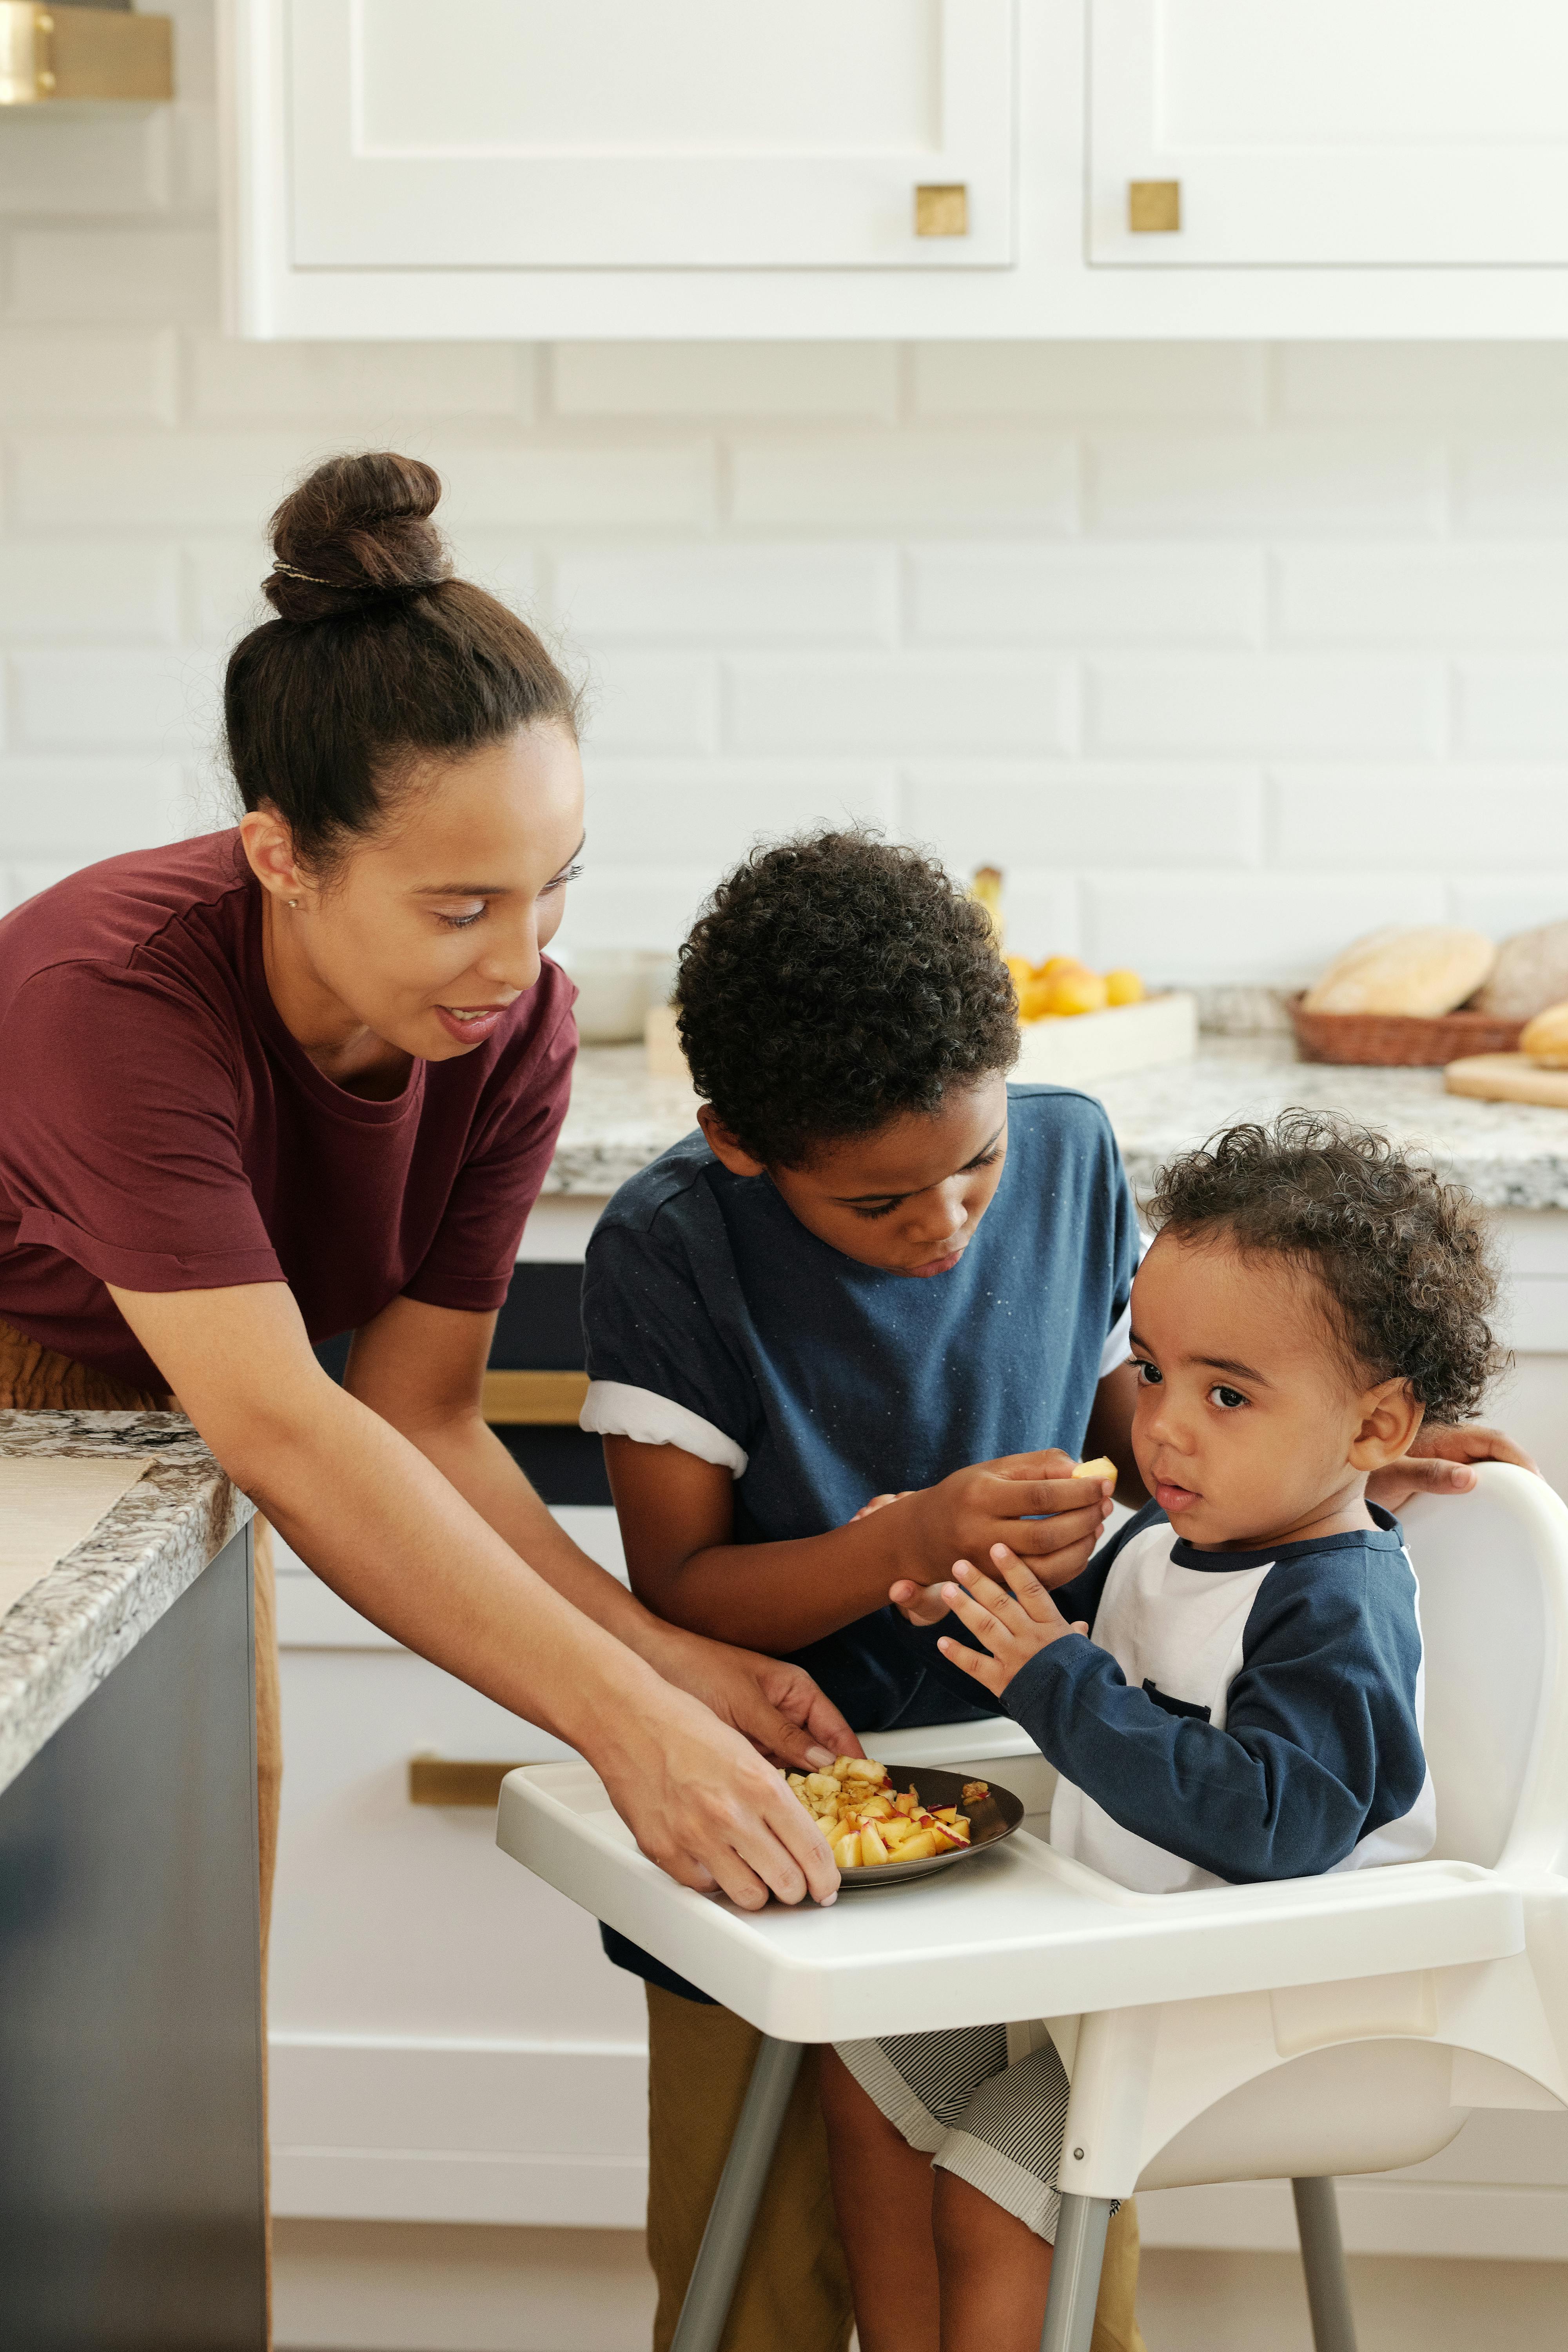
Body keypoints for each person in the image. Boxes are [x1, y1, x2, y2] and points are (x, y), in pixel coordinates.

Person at [0, 454, 852, 2316]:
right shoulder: (107, 994)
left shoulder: (510, 1020)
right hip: (48, 1419)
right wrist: (633, 1734)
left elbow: (413, 1409)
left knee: (161, 2031)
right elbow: (293, 1425)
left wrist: (666, 1664)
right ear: (281, 851)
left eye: (554, 888)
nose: (522, 958)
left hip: (213, 1427)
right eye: (461, 901)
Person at [581, 839, 1533, 2352]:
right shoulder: (670, 1250)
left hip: (1060, 1830)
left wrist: (1333, 1477)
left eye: (978, 1163)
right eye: (883, 1201)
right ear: (741, 1145)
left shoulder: (1074, 1154)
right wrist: (913, 1545)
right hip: (787, 1800)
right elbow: (677, 1594)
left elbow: (1150, 1454)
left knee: (1039, 2238)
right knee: (762, 2249)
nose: (950, 1221)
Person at [820, 1114, 1508, 2352]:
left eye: (1228, 1393)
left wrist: (1058, 1678)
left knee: (991, 2186)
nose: (1164, 1429)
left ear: (1373, 1432)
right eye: (1152, 1372)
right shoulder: (1175, 1543)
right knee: (869, 2057)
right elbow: (1046, 1652)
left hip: (1280, 2001)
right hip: (1127, 1967)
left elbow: (1273, 1822)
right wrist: (951, 1594)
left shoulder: (1336, 1607)